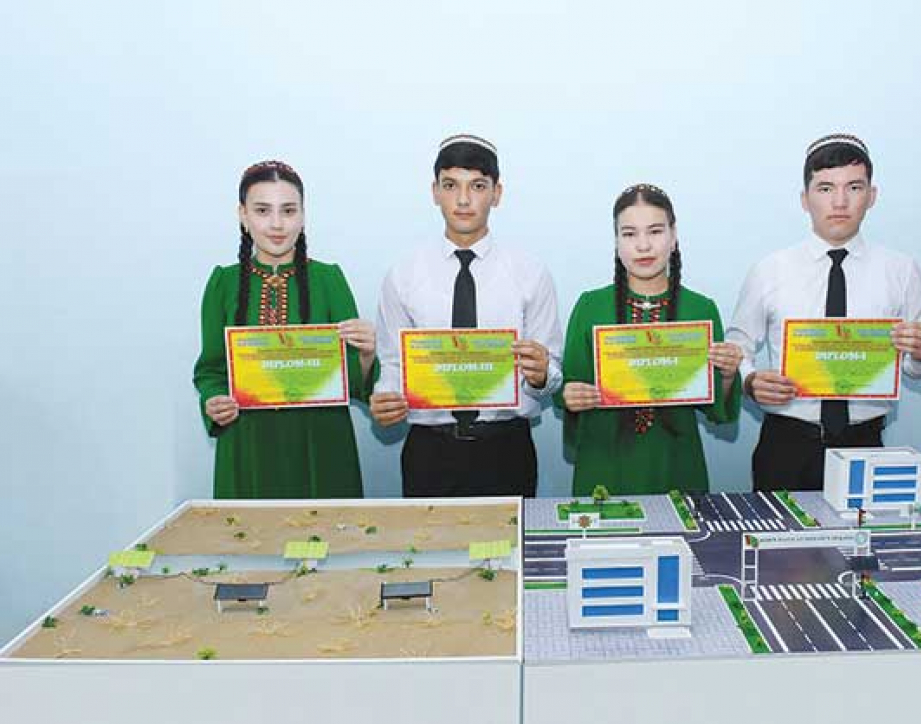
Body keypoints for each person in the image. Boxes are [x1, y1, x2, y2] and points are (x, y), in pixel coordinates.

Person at [727, 134, 921, 492]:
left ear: (872, 196)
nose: (840, 202)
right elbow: (736, 349)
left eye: (854, 187)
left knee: (862, 532)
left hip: (865, 446)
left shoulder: (901, 270)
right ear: (805, 199)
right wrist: (751, 382)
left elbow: (919, 368)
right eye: (826, 188)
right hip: (785, 445)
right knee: (780, 532)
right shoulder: (769, 270)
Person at [370, 134, 562, 498]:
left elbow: (552, 371)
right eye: (450, 185)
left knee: (512, 537)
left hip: (507, 449)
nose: (462, 199)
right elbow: (393, 363)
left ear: (496, 193)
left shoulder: (530, 273)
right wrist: (385, 399)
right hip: (428, 451)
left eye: (477, 186)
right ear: (435, 192)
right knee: (427, 538)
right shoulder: (403, 274)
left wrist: (540, 376)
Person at [193, 160, 377, 498]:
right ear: (243, 215)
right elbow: (210, 371)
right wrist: (215, 400)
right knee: (249, 530)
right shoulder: (223, 283)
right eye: (262, 210)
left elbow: (354, 383)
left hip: (321, 447)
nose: (277, 224)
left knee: (327, 529)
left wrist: (366, 355)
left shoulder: (329, 279)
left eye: (289, 210)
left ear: (303, 216)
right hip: (246, 445)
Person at [560, 184, 743, 496]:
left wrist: (727, 374)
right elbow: (568, 387)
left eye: (655, 231)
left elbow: (716, 410)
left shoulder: (700, 309)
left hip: (676, 464)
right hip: (604, 464)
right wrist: (570, 396)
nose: (643, 245)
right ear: (616, 242)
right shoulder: (590, 306)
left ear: (673, 236)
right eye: (629, 234)